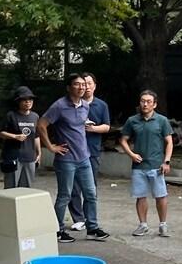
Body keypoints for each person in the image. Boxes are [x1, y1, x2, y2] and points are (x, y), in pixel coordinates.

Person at [38, 73, 110, 242]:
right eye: (77, 84)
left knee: (91, 194)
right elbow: (41, 124)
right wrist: (50, 146)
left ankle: (92, 228)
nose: (81, 87)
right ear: (69, 87)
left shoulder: (85, 105)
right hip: (66, 159)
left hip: (84, 157)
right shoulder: (59, 106)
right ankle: (58, 230)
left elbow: (79, 126)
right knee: (65, 195)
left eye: (83, 85)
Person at [119, 89, 175, 237]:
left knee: (161, 195)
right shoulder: (132, 121)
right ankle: (143, 225)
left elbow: (169, 142)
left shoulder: (162, 121)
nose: (145, 104)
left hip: (157, 165)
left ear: (155, 104)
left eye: (149, 102)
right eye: (143, 101)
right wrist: (131, 154)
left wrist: (166, 161)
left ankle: (163, 224)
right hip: (139, 166)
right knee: (140, 196)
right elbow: (123, 140)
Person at [69, 73, 111, 231]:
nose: (86, 87)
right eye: (83, 84)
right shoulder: (72, 104)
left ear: (94, 86)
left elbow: (107, 126)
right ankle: (78, 218)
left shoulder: (101, 105)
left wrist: (92, 128)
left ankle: (90, 217)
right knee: (72, 187)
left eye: (89, 83)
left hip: (92, 150)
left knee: (90, 187)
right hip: (73, 151)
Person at [0, 87, 38, 189]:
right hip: (13, 157)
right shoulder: (11, 115)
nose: (28, 102)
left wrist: (39, 153)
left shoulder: (35, 116)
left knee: (26, 188)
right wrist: (15, 136)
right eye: (24, 100)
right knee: (11, 187)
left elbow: (36, 136)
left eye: (30, 99)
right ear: (18, 101)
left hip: (30, 157)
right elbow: (0, 133)